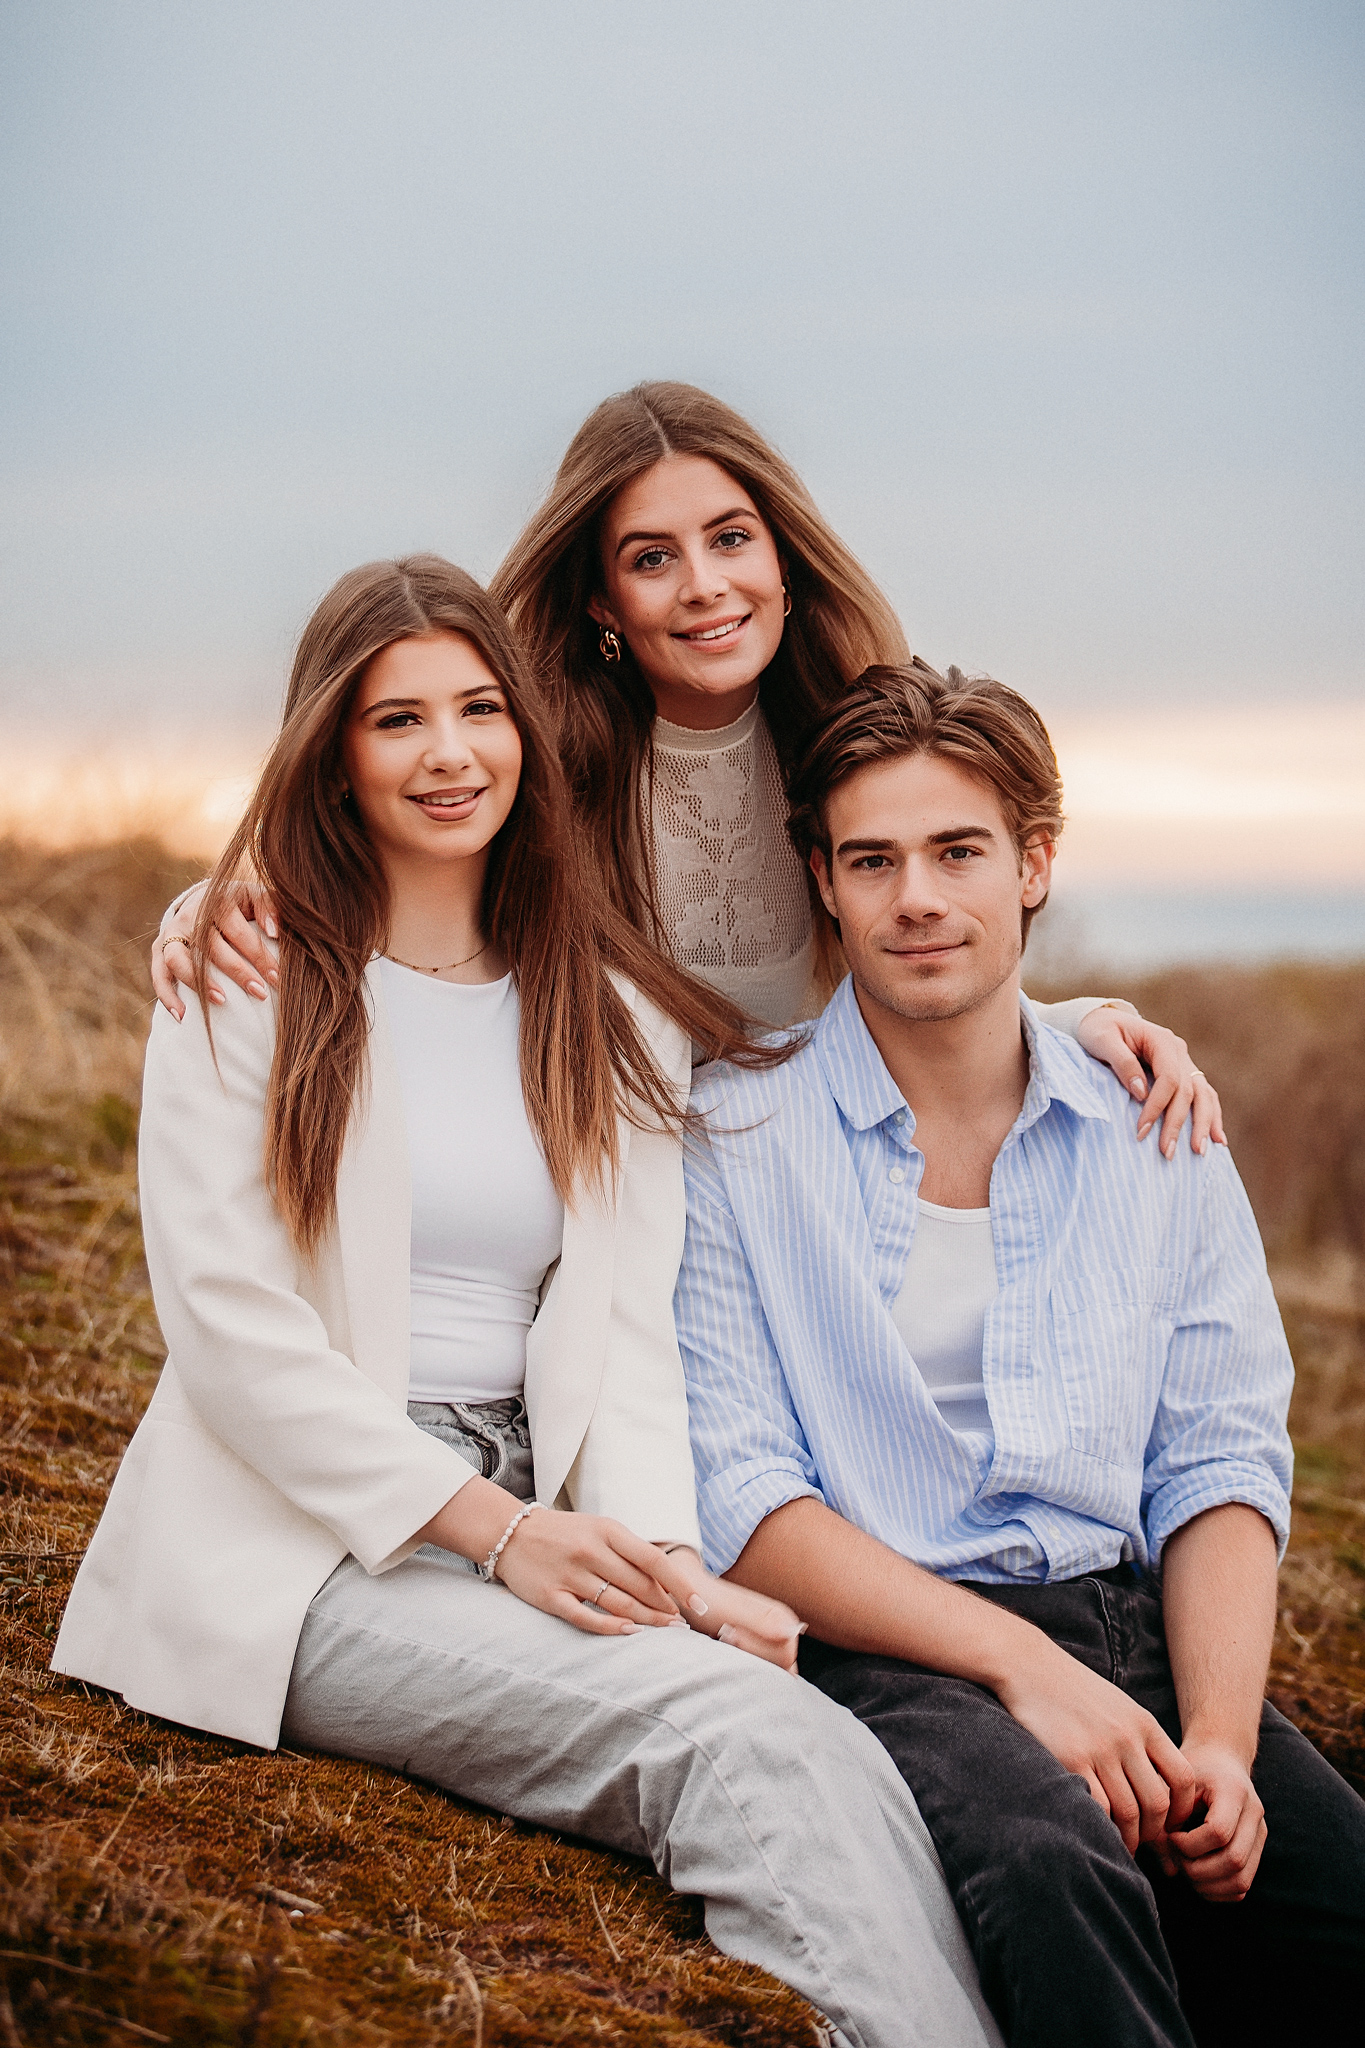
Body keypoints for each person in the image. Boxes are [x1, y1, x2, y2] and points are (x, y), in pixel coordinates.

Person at [54, 561, 1004, 2048]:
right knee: (738, 1746)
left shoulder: (607, 1002)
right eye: (399, 719)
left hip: (543, 1511)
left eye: (482, 708)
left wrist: (677, 1568)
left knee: (820, 1737)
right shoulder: (247, 965)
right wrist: (494, 1532)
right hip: (309, 1547)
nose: (451, 754)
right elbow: (231, 1331)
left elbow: (622, 1335)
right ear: (332, 746)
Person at [674, 661, 1365, 2048]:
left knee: (1335, 1893)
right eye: (871, 859)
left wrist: (1222, 1740)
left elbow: (1218, 1455)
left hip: (1136, 1625)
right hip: (888, 1645)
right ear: (821, 879)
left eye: (957, 852)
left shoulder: (1149, 1123)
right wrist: (1018, 1672)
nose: (915, 896)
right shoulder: (730, 1137)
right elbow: (747, 1500)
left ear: (1034, 863)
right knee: (1055, 1869)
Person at [151, 383, 1222, 1159]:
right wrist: (213, 902)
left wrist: (1072, 1023)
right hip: (599, 1211)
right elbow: (389, 888)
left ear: (784, 559)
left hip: (818, 1194)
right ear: (604, 604)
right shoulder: (542, 774)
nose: (704, 585)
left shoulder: (858, 748)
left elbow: (927, 949)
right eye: (653, 557)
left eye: (730, 538)